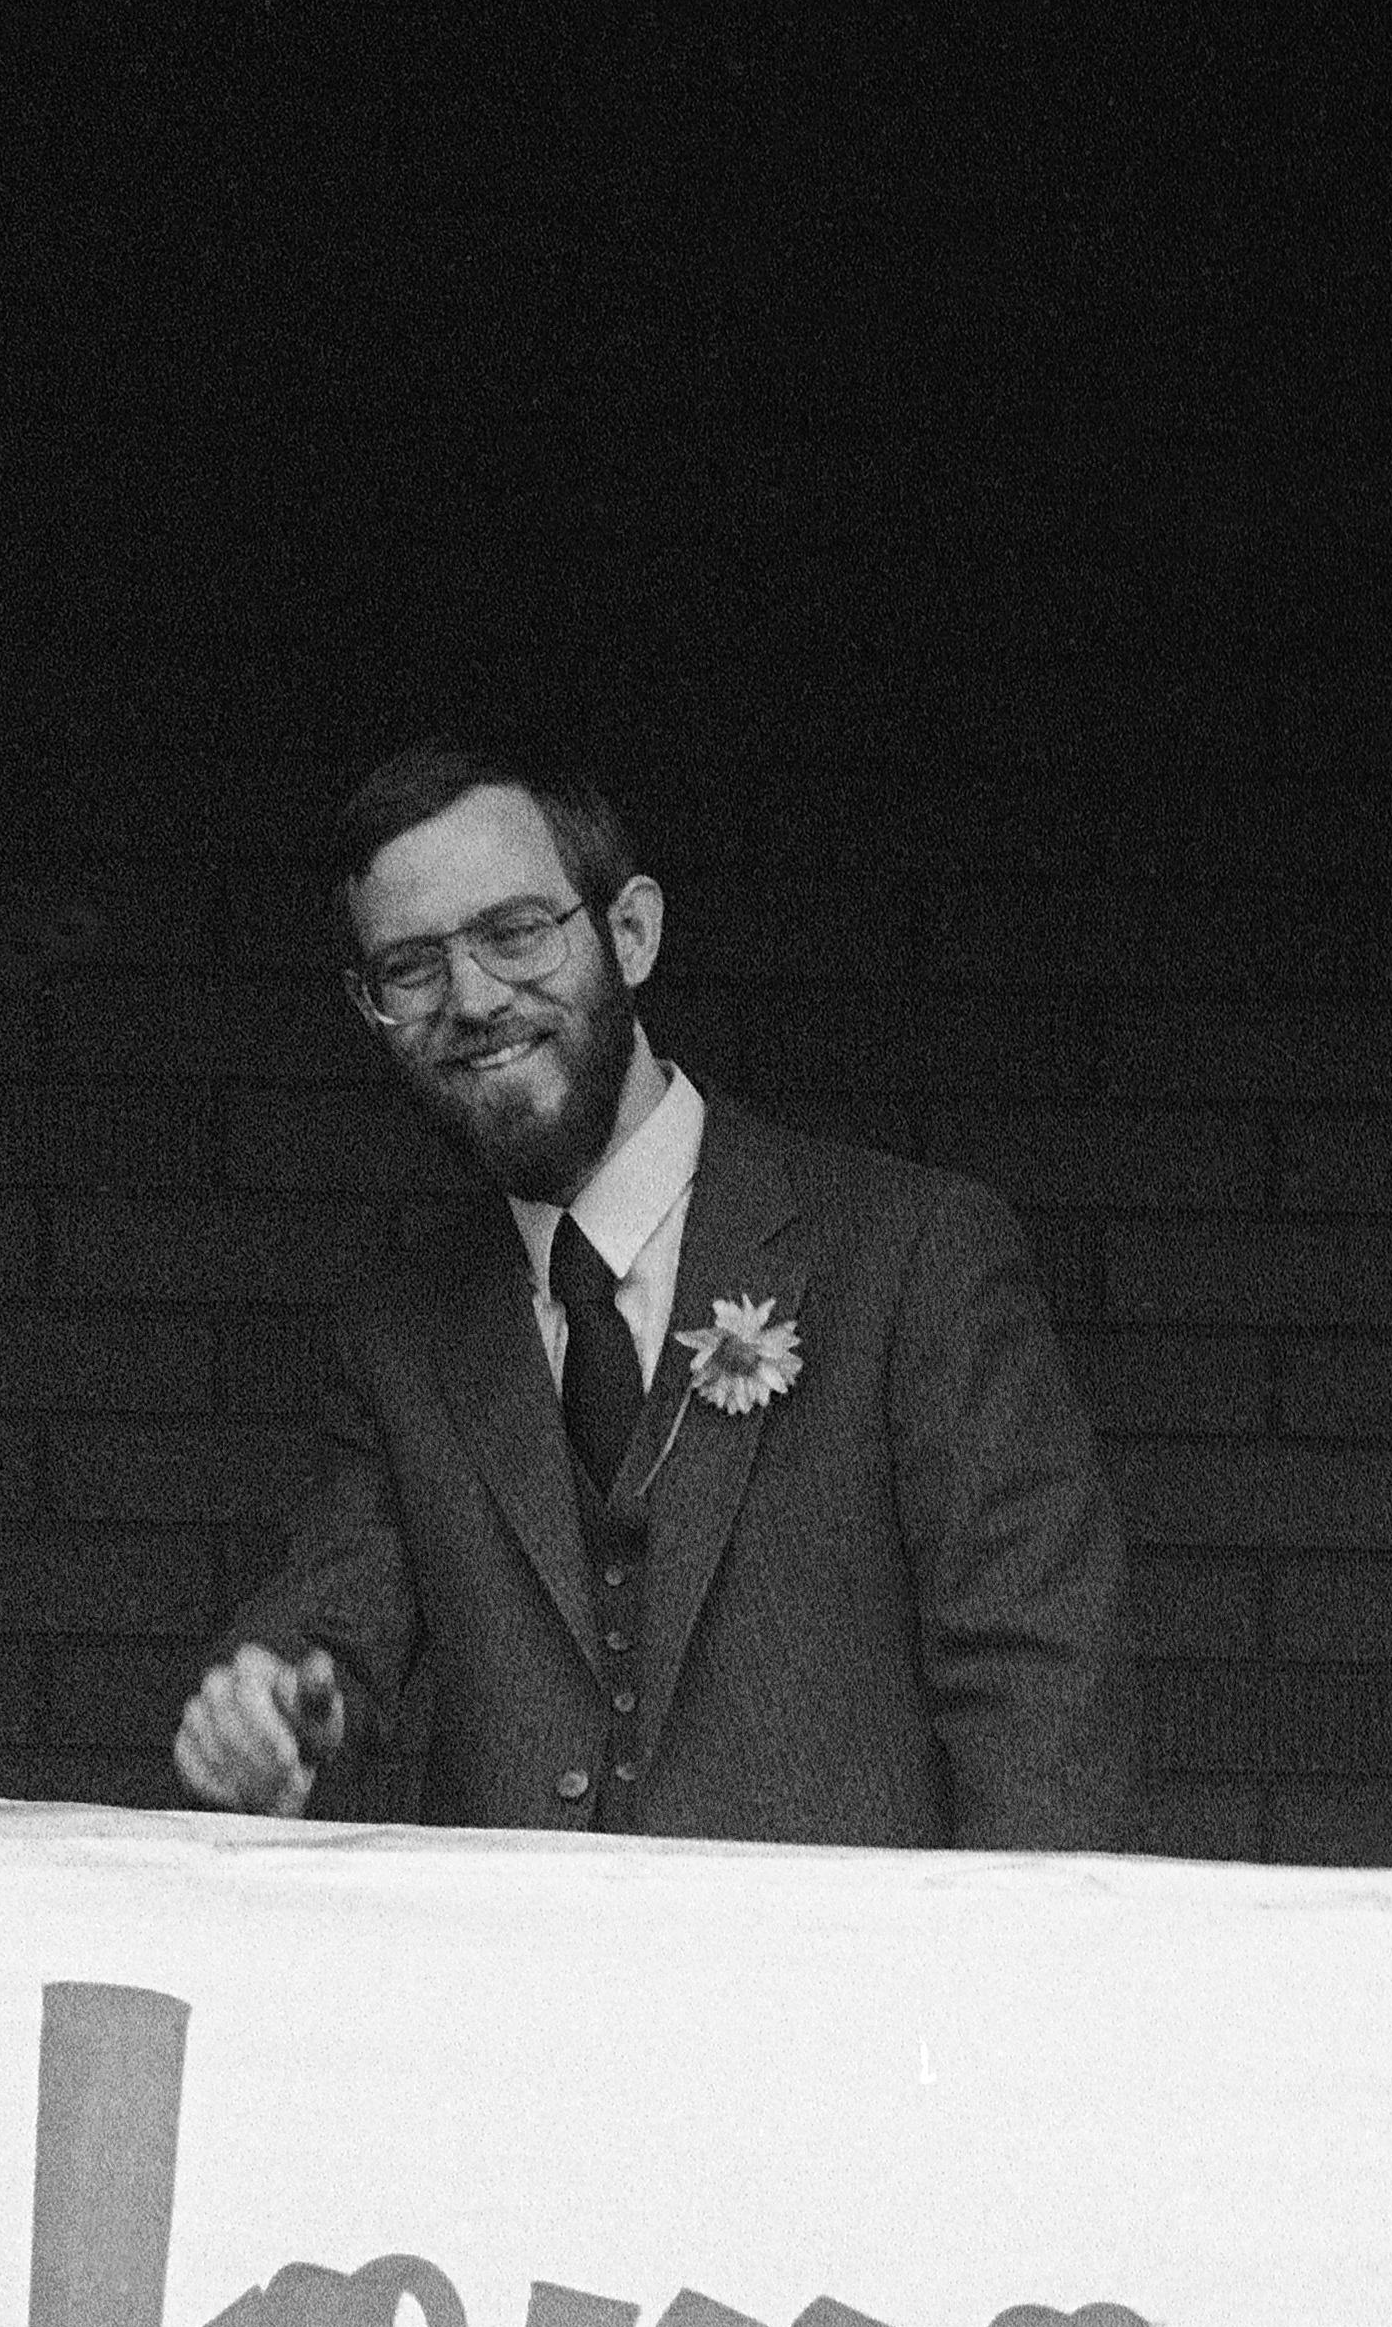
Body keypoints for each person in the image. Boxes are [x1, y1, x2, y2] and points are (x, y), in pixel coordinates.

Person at [169, 739, 1133, 1847]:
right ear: (368, 1005)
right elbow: (334, 1619)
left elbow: (1042, 1699)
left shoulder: (912, 1256)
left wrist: (1003, 2003)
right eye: (411, 967)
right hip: (526, 1999)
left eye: (514, 932)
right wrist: (265, 1709)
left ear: (631, 933)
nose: (472, 996)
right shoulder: (404, 1332)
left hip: (844, 2003)